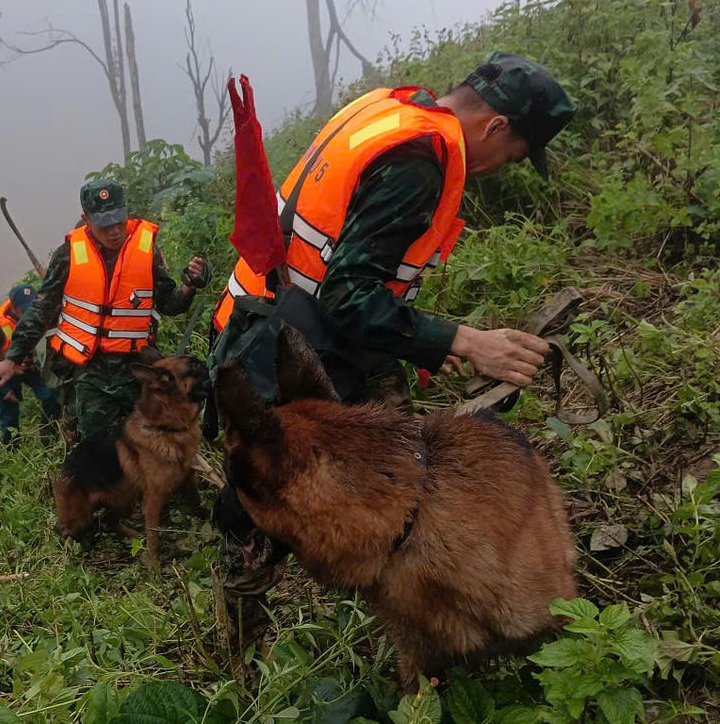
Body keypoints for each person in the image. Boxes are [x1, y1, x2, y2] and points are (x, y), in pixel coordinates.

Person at [208, 51, 578, 658]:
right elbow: (348, 296)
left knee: (404, 462)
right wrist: (464, 341)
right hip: (284, 347)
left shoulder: (389, 108)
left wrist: (423, 340)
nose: (498, 170)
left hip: (284, 320)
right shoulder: (418, 162)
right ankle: (241, 660)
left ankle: (409, 603)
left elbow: (351, 269)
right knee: (264, 501)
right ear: (495, 126)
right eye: (512, 156)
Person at [0, 180, 210, 442]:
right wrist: (11, 359)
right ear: (86, 218)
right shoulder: (68, 255)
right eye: (105, 223)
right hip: (91, 374)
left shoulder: (146, 250)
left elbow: (169, 304)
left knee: (150, 442)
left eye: (118, 220)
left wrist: (189, 286)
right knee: (98, 447)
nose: (114, 231)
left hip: (138, 371)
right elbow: (41, 310)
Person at [0, 283, 61, 444]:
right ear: (14, 308)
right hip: (3, 372)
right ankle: (13, 449)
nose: (29, 314)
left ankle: (49, 436)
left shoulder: (41, 312)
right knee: (9, 414)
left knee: (52, 394)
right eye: (24, 310)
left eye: (32, 308)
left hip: (29, 366)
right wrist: (2, 390)